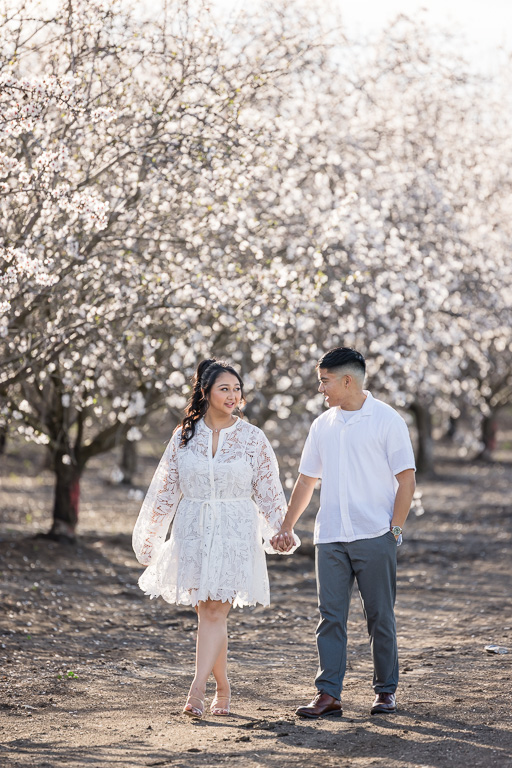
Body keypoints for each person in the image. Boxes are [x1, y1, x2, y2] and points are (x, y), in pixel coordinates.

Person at [132, 358, 299, 720]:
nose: (233, 395)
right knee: (208, 615)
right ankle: (223, 688)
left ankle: (197, 689)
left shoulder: (253, 438)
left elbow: (269, 491)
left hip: (235, 532)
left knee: (213, 611)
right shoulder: (184, 436)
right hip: (193, 530)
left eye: (237, 389)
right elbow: (164, 490)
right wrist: (150, 537)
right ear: (206, 392)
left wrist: (280, 531)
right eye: (225, 388)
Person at [271, 347, 416, 718]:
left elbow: (407, 480)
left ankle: (385, 692)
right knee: (330, 616)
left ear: (347, 380)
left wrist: (394, 529)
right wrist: (287, 525)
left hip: (374, 534)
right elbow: (306, 480)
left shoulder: (387, 420)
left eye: (325, 380)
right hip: (331, 535)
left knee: (379, 616)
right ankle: (328, 694)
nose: (321, 389)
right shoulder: (322, 425)